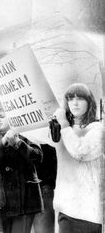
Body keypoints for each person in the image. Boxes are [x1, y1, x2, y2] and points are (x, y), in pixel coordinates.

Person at [52, 83, 102, 233]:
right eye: (70, 99)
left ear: (89, 102)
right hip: (67, 210)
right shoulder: (64, 129)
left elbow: (80, 152)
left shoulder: (98, 129)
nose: (74, 103)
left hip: (88, 213)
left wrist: (64, 124)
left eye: (80, 98)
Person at [0, 108, 43, 233]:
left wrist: (18, 142)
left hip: (24, 197)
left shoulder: (28, 133)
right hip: (4, 199)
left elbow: (37, 157)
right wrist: (3, 142)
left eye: (1, 116)